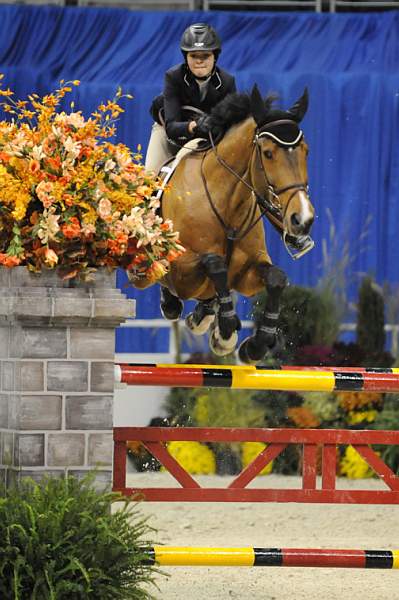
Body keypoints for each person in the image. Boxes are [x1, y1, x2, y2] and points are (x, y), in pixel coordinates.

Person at [145, 22, 236, 174]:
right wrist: (194, 125)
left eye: (205, 56)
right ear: (186, 57)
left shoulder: (227, 82)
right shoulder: (173, 77)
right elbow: (172, 127)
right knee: (148, 177)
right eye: (194, 56)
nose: (199, 61)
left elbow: (231, 127)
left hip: (203, 139)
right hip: (167, 132)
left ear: (215, 57)